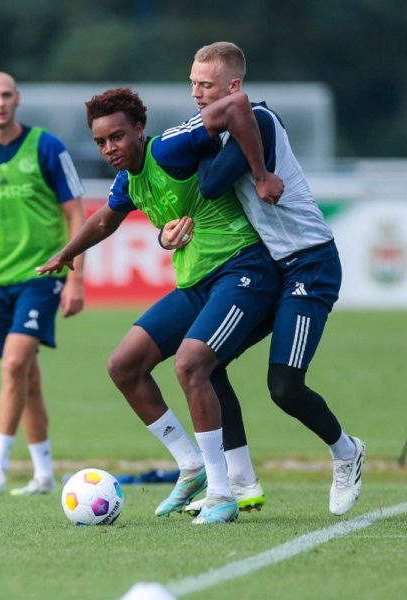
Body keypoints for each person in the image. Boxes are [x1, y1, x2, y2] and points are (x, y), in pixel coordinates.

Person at [37, 87, 284, 524]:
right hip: (197, 284)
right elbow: (103, 221)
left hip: (243, 271)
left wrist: (261, 173)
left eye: (117, 137)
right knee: (123, 365)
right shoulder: (127, 180)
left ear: (138, 130)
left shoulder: (170, 147)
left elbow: (236, 108)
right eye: (100, 142)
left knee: (191, 365)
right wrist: (66, 253)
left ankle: (223, 493)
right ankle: (190, 465)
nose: (109, 148)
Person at [164, 41, 365, 516]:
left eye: (206, 84)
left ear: (233, 87)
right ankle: (238, 480)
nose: (196, 92)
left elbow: (211, 183)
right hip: (273, 268)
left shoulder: (263, 121)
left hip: (310, 265)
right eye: (192, 82)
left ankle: (347, 452)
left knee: (285, 388)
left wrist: (212, 157)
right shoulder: (219, 131)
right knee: (206, 365)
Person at [0, 71, 86, 496]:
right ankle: (44, 473)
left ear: (18, 99)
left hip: (42, 277)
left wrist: (76, 278)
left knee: (12, 366)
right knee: (26, 378)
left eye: (7, 95)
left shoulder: (47, 147)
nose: (1, 102)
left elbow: (77, 215)